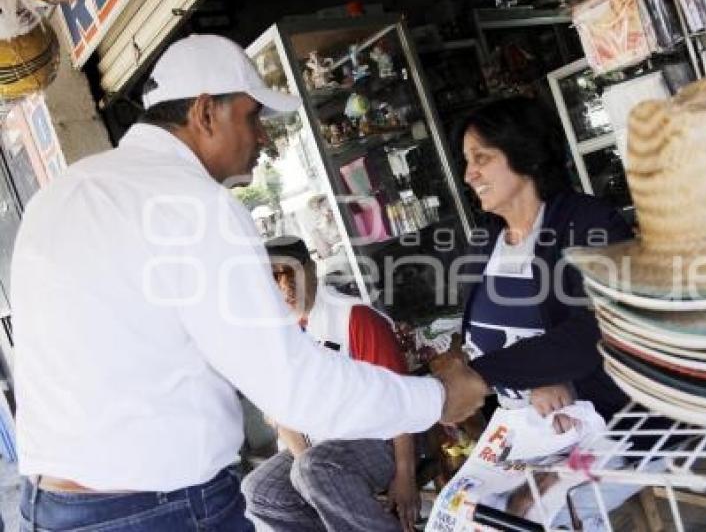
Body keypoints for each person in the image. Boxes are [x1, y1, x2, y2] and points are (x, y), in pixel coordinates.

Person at [10, 34, 487, 531]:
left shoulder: (62, 194)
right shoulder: (190, 203)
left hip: (51, 507)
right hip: (155, 511)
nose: (263, 138)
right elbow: (289, 384)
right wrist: (434, 398)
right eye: (252, 117)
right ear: (205, 112)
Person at [456, 97, 632, 423]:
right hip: (524, 435)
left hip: (605, 433)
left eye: (481, 158)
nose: (469, 175)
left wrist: (486, 375)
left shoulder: (589, 223)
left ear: (526, 156)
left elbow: (602, 325)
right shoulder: (484, 240)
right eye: (467, 161)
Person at [242, 236, 420, 532]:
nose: (285, 286)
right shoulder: (273, 334)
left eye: (293, 272)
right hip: (320, 447)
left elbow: (401, 399)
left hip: (380, 441)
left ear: (311, 269)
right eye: (275, 277)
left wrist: (406, 474)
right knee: (259, 492)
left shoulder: (354, 316)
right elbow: (282, 416)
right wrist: (305, 472)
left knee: (315, 469)